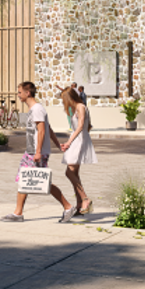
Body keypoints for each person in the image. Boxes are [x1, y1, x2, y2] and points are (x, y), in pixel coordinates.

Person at [1, 81, 74, 222]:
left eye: (19, 92)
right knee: (25, 179)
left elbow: (42, 130)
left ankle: (68, 206)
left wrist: (38, 152)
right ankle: (18, 213)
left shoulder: (37, 109)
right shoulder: (34, 109)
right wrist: (58, 145)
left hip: (36, 152)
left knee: (42, 181)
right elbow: (49, 128)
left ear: (27, 93)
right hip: (31, 151)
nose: (18, 95)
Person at [58, 86, 96, 216]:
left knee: (69, 172)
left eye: (64, 99)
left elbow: (80, 126)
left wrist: (69, 142)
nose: (64, 102)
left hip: (78, 141)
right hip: (78, 140)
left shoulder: (80, 106)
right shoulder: (77, 108)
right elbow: (87, 126)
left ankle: (85, 199)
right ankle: (80, 204)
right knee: (74, 173)